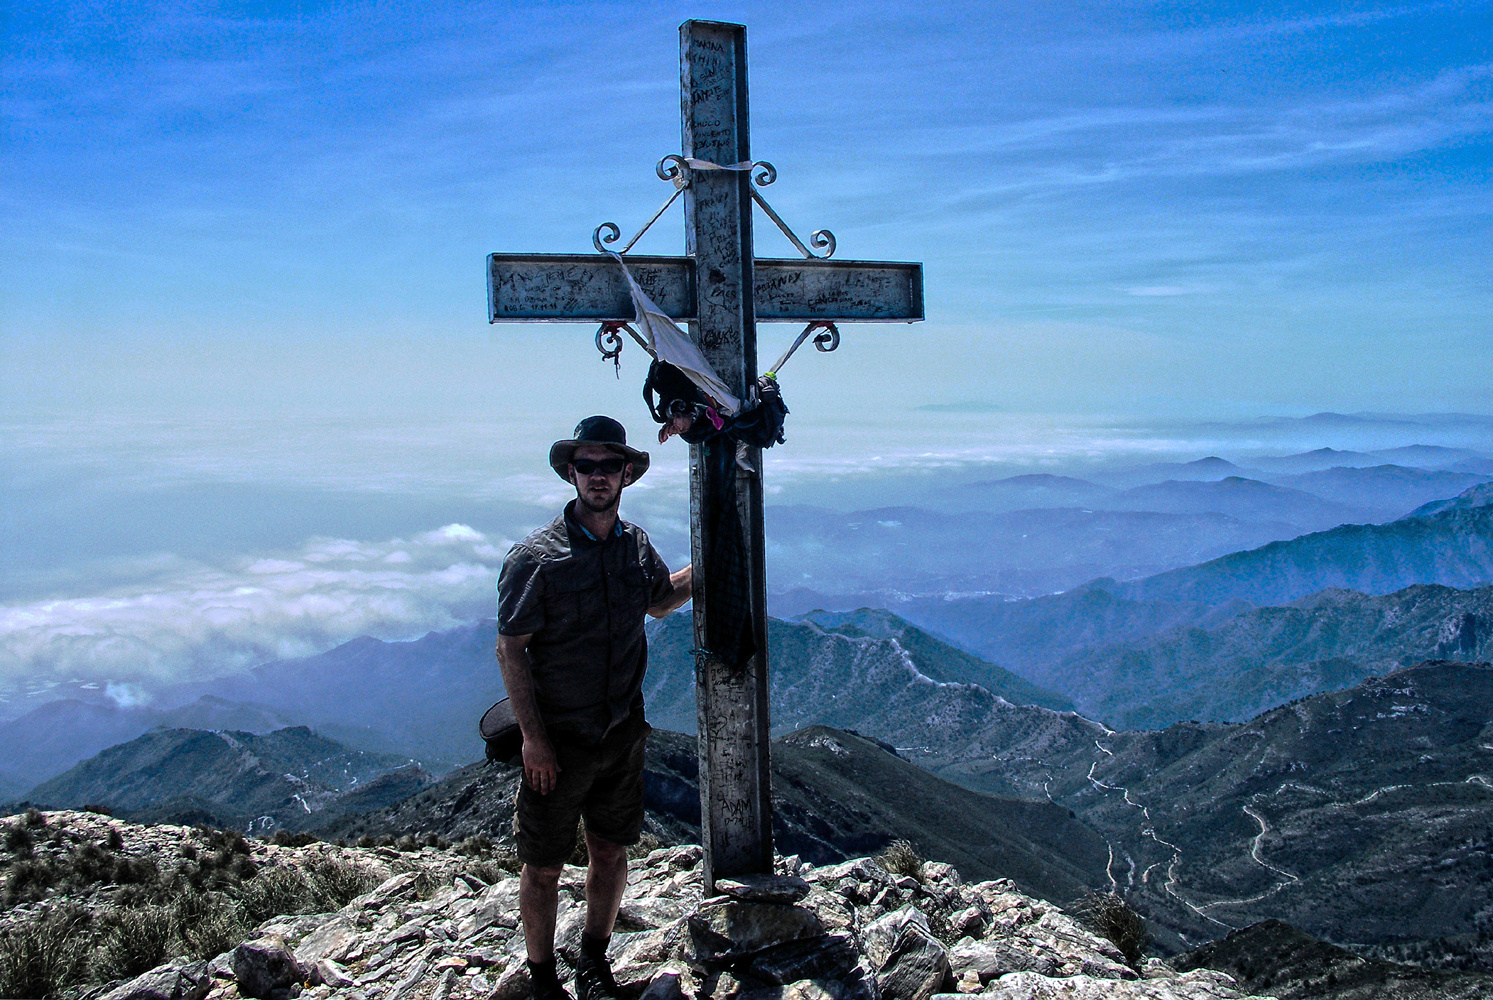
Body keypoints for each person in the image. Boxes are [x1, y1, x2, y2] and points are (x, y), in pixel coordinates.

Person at [496, 415, 693, 1000]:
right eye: (588, 466)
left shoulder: (634, 546)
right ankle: (541, 980)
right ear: (571, 474)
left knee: (610, 851)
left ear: (627, 474)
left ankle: (594, 963)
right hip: (557, 742)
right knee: (545, 864)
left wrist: (710, 568)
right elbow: (510, 650)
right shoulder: (537, 558)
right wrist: (533, 740)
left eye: (611, 466)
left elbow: (658, 603)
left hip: (620, 734)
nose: (599, 476)